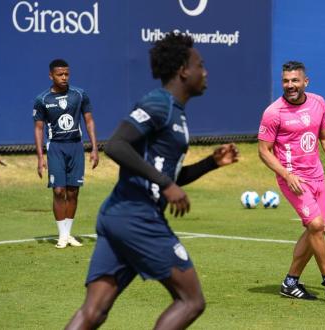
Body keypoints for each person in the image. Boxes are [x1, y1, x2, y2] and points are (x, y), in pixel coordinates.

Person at [66, 33, 239, 329]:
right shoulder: (159, 103)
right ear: (184, 70)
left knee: (93, 312)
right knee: (191, 301)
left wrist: (211, 163)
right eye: (201, 65)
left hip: (118, 216)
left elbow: (168, 176)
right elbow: (117, 145)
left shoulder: (178, 114)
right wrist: (167, 184)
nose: (205, 71)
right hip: (138, 217)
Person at [258, 61, 325, 303]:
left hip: (317, 177)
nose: (290, 85)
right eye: (286, 81)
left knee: (317, 231)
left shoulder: (318, 103)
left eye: (295, 81)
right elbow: (264, 151)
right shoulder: (273, 112)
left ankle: (290, 282)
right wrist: (287, 174)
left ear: (305, 82)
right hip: (294, 180)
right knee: (315, 226)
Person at [33, 59, 99, 249]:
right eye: (60, 74)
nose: (64, 77)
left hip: (76, 147)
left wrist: (94, 148)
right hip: (55, 148)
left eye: (66, 74)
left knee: (73, 191)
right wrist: (40, 157)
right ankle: (62, 235)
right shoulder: (42, 99)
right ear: (51, 76)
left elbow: (89, 121)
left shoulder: (79, 95)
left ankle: (68, 234)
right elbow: (38, 129)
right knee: (58, 190)